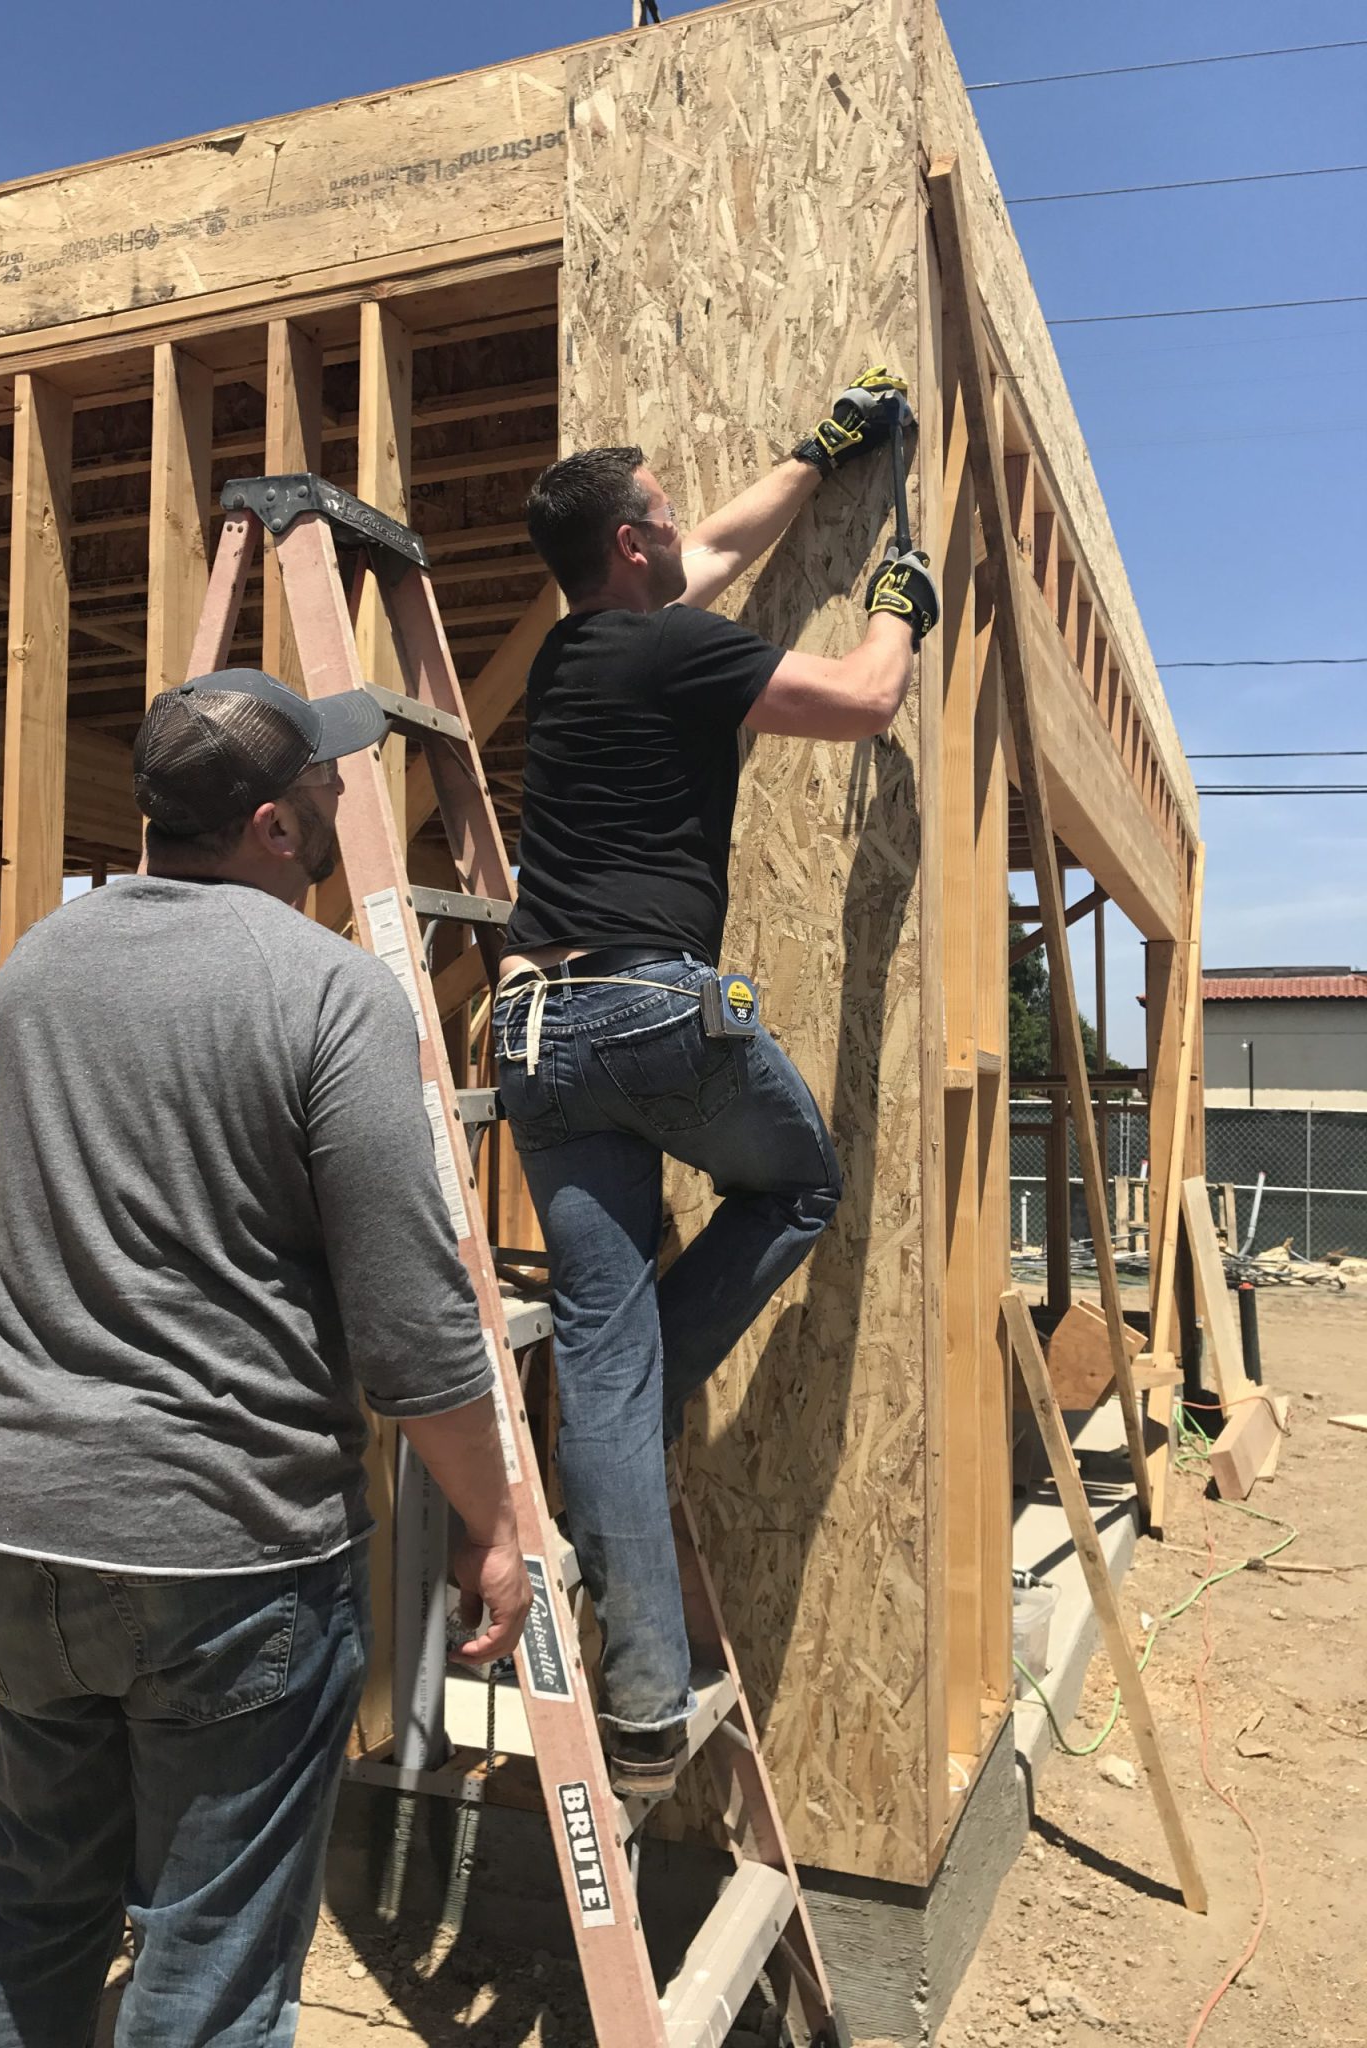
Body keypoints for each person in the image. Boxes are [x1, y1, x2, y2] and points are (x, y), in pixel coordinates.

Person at [0, 669, 532, 2048]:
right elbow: (409, 1320)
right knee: (208, 1966)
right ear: (271, 825)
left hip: (12, 1534)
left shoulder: (36, 968)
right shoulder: (330, 992)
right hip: (225, 1554)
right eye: (325, 781)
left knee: (32, 1915)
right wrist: (497, 1520)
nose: (342, 797)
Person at [493, 371, 938, 1800]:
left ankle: (638, 1702)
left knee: (605, 1352)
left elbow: (729, 545)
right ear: (633, 545)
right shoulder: (673, 647)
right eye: (665, 516)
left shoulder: (574, 655)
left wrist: (816, 456)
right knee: (799, 1182)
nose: (687, 529)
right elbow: (864, 702)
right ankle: (629, 1404)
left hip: (532, 1036)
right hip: (646, 1009)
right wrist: (902, 605)